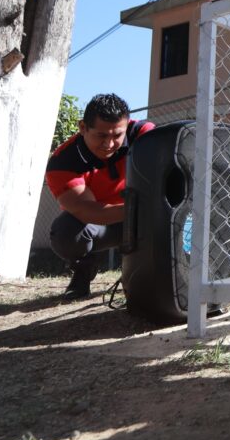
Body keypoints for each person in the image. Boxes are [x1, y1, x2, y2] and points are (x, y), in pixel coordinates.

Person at [46, 93, 153, 300]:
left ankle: (151, 276)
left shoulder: (142, 134)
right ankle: (84, 270)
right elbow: (84, 210)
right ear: (82, 127)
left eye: (116, 136)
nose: (109, 144)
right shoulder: (63, 162)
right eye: (101, 136)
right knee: (66, 232)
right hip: (102, 223)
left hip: (144, 216)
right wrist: (136, 209)